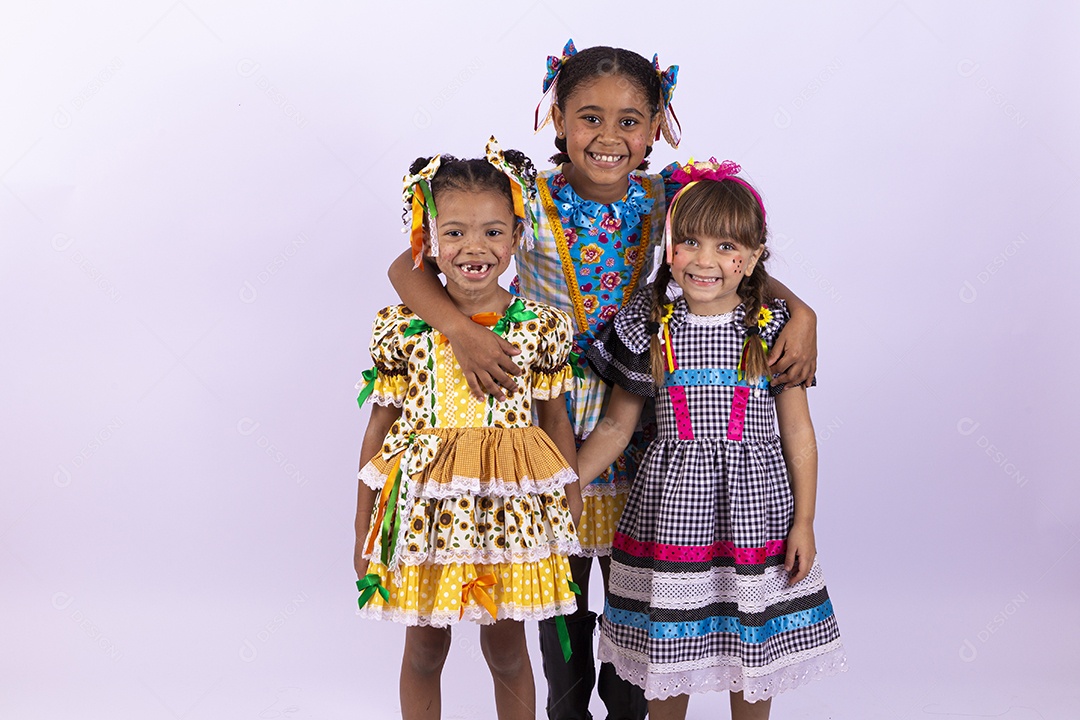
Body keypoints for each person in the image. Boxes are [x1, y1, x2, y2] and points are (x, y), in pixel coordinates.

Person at [388, 42, 819, 720]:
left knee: (636, 583)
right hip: (548, 415)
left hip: (643, 415)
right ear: (557, 118)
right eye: (590, 117)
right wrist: (466, 334)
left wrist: (802, 311)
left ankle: (626, 706)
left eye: (629, 121)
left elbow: (730, 250)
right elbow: (408, 268)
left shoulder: (670, 197)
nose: (609, 137)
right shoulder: (520, 196)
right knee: (558, 580)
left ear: (657, 127)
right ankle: (565, 705)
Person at [579, 160, 845, 720]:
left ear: (752, 259)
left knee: (752, 653)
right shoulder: (645, 327)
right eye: (690, 243)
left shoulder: (770, 328)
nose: (705, 260)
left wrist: (805, 521)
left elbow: (798, 431)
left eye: (727, 247)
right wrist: (564, 481)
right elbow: (616, 426)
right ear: (670, 249)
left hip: (756, 514)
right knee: (669, 652)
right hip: (672, 515)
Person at [354, 139, 584, 720]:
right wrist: (362, 523)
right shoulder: (404, 329)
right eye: (453, 232)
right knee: (424, 648)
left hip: (504, 519)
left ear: (515, 234)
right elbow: (379, 428)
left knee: (507, 650)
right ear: (428, 237)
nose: (473, 248)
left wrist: (570, 502)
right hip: (424, 514)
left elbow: (554, 421)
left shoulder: (541, 328)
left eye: (491, 232)